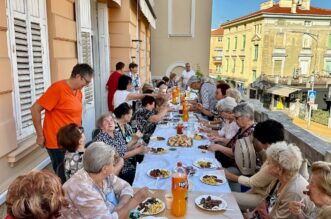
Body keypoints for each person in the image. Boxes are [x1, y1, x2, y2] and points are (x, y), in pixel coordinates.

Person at [30, 63, 93, 183]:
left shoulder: (78, 91)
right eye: (87, 81)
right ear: (78, 77)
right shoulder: (57, 88)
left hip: (74, 140)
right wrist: (39, 135)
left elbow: (76, 115)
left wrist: (80, 133)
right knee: (64, 178)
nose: (87, 85)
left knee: (76, 175)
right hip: (58, 143)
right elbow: (35, 109)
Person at [62, 142, 149, 219]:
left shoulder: (99, 172)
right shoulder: (82, 189)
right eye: (112, 162)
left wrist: (120, 206)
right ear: (105, 169)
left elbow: (125, 186)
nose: (114, 164)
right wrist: (135, 201)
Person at [225, 119, 285, 211]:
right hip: (257, 190)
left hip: (263, 198)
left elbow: (252, 182)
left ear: (264, 141)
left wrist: (227, 175)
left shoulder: (276, 159)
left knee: (226, 198)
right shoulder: (273, 151)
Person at [254, 142, 315, 219]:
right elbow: (264, 202)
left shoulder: (293, 193)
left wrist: (263, 213)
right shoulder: (280, 179)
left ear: (279, 169)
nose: (266, 166)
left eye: (269, 163)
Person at [208, 103, 256, 191]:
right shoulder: (243, 128)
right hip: (233, 163)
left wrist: (219, 147)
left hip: (241, 168)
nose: (235, 120)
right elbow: (233, 143)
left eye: (236, 118)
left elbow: (237, 153)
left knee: (214, 174)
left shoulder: (251, 132)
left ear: (246, 117)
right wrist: (219, 139)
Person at [94, 113, 148, 184]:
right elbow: (119, 156)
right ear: (101, 126)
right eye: (106, 121)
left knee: (147, 169)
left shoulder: (116, 133)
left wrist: (135, 146)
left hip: (127, 165)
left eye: (111, 120)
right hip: (117, 171)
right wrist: (137, 151)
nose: (110, 123)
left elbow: (123, 149)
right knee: (143, 177)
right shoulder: (101, 139)